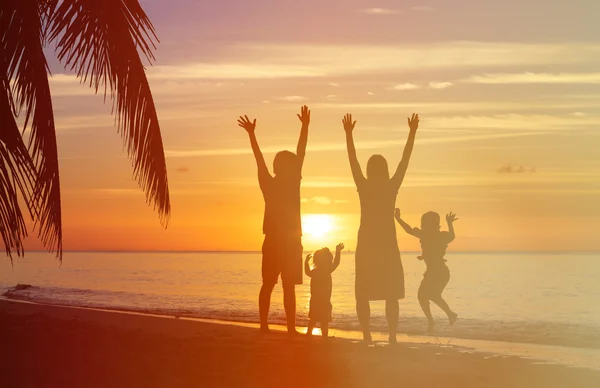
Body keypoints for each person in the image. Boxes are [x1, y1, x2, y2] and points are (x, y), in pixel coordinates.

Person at [343, 113, 420, 344]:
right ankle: (392, 336)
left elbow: (353, 161)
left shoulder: (365, 186)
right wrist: (412, 132)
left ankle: (368, 334)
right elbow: (404, 161)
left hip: (369, 243)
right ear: (384, 170)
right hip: (384, 245)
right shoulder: (389, 186)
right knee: (389, 293)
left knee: (365, 292)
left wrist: (348, 135)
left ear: (370, 170)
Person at [237, 106, 311, 335]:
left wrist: (305, 127)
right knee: (274, 285)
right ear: (283, 167)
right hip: (280, 242)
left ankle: (280, 326)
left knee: (281, 286)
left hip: (285, 241)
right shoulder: (277, 183)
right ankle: (268, 325)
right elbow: (260, 159)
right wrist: (251, 135)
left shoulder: (287, 182)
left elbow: (300, 154)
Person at [394, 209, 459, 333]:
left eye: (427, 224)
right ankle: (442, 317)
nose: (424, 226)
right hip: (434, 272)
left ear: (434, 225)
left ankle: (443, 317)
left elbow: (451, 237)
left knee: (428, 295)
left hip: (439, 272)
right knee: (425, 296)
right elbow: (409, 230)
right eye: (424, 224)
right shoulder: (426, 235)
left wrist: (450, 224)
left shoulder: (437, 236)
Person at [304, 243, 344, 340]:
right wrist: (338, 251)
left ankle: (310, 334)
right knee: (323, 320)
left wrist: (306, 263)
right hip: (323, 301)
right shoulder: (326, 270)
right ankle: (323, 337)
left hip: (317, 300)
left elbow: (307, 272)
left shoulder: (316, 271)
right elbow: (336, 263)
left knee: (314, 319)